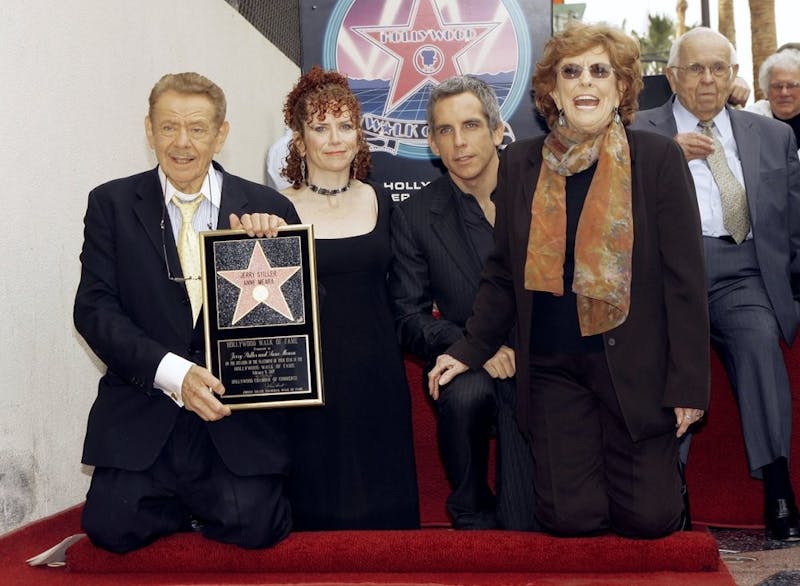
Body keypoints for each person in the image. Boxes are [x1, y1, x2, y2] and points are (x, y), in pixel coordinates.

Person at [428, 21, 710, 538]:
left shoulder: (657, 160)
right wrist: (467, 348)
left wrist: (688, 383)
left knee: (650, 522)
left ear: (621, 86)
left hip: (634, 370)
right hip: (555, 371)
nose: (585, 82)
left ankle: (661, 483)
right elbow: (502, 273)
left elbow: (686, 283)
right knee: (570, 521)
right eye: (571, 71)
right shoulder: (520, 163)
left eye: (599, 71)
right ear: (552, 90)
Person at [74, 72, 302, 553]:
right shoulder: (111, 204)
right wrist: (174, 374)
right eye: (168, 127)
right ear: (149, 129)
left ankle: (203, 501)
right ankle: (187, 503)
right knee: (112, 528)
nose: (182, 143)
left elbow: (297, 326)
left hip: (232, 415)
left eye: (197, 129)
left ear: (221, 134)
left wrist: (273, 252)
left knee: (256, 525)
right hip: (146, 406)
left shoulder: (266, 206)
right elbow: (94, 310)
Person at [633, 27, 800, 541]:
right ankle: (671, 489)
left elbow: (792, 221)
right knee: (665, 359)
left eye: (718, 69)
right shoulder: (637, 132)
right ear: (671, 75)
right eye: (695, 68)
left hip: (742, 270)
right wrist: (663, 156)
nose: (707, 79)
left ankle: (777, 486)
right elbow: (611, 214)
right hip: (663, 278)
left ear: (733, 76)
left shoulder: (772, 134)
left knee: (758, 343)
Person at [388, 75, 536, 530]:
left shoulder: (541, 189)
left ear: (496, 131)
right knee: (462, 390)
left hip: (547, 356)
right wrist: (476, 346)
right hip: (476, 361)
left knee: (530, 522)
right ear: (432, 142)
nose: (459, 142)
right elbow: (407, 318)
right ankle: (470, 506)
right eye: (446, 131)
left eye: (470, 125)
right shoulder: (415, 215)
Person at [279, 66, 420, 530]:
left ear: (360, 135)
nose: (334, 138)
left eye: (345, 125)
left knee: (383, 502)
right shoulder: (276, 210)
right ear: (300, 141)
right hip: (307, 377)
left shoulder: (382, 201)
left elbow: (405, 295)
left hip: (376, 367)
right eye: (320, 127)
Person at [746, 49, 800, 154]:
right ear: (766, 90)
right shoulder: (751, 118)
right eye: (777, 86)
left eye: (792, 85)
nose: (784, 93)